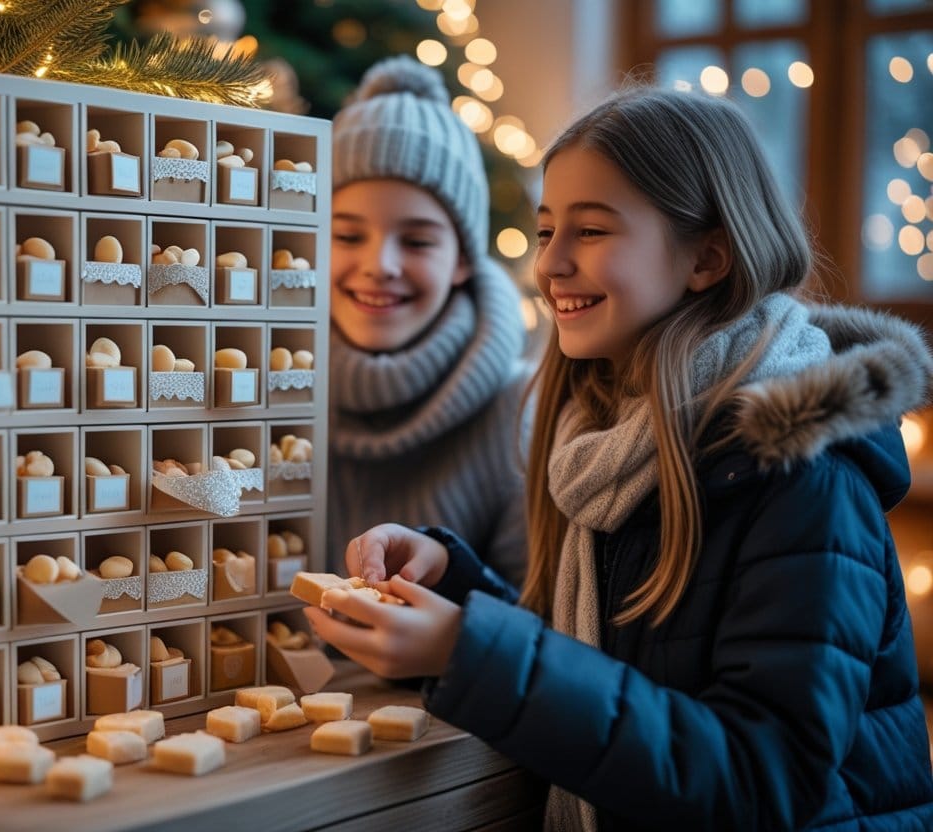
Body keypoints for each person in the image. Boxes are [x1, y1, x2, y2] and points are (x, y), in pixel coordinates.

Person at [307, 86, 933, 830]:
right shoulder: (611, 441)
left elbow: (766, 781)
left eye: (593, 231)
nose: (552, 265)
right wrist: (459, 591)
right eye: (545, 233)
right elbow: (612, 670)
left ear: (706, 258)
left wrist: (470, 650)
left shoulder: (803, 478)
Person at [327, 55, 532, 585]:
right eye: (347, 236)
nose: (379, 266)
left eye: (417, 241)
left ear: (463, 258)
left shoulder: (519, 413)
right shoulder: (248, 384)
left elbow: (536, 623)